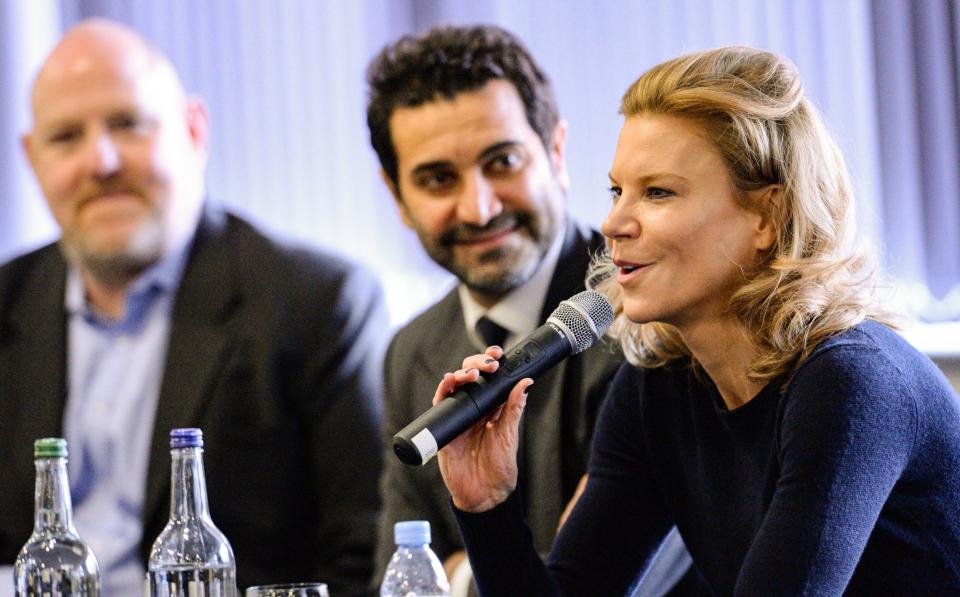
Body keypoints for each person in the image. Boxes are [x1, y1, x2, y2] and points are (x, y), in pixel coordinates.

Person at [435, 45, 960, 595]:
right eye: (617, 191)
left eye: (657, 192)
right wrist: (487, 504)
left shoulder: (851, 384)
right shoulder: (657, 384)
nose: (613, 221)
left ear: (767, 216)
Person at [0, 19, 386, 596]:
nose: (99, 161)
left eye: (127, 124)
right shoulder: (7, 302)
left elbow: (363, 558)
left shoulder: (317, 303)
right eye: (65, 138)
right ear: (32, 159)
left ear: (194, 130)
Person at [365, 25, 692, 595]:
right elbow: (400, 575)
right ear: (397, 197)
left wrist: (462, 574)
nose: (480, 206)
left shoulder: (652, 313)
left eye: (503, 161)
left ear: (556, 153)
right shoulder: (411, 349)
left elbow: (602, 579)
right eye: (439, 179)